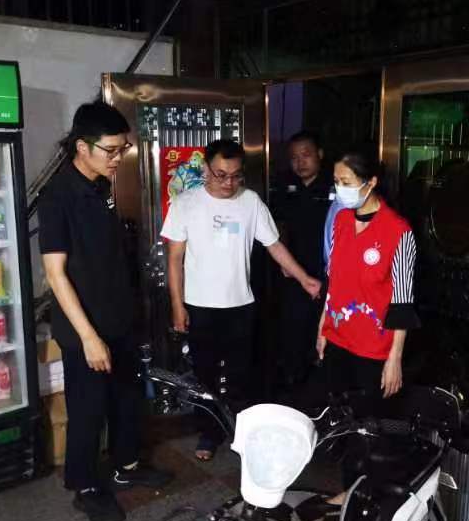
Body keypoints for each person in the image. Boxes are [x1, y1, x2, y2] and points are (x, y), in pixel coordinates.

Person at [39, 101, 171, 521]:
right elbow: (56, 274)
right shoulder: (59, 197)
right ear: (82, 146)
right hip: (86, 329)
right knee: (89, 410)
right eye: (111, 150)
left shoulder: (99, 187)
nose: (118, 158)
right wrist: (89, 337)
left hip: (118, 320)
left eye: (122, 149)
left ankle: (125, 466)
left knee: (127, 400)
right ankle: (85, 487)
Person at [162, 139, 322, 461]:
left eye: (236, 176)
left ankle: (241, 431)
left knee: (241, 374)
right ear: (206, 169)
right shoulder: (185, 203)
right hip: (200, 305)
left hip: (241, 305)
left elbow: (274, 245)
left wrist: (304, 278)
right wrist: (177, 306)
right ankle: (209, 433)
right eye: (220, 175)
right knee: (204, 374)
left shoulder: (250, 202)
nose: (228, 183)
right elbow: (174, 259)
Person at [317, 150, 420, 414]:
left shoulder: (399, 231)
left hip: (374, 349)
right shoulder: (340, 220)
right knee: (336, 417)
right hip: (337, 338)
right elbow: (333, 281)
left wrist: (394, 358)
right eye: (336, 182)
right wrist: (322, 327)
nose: (340, 189)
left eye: (346, 182)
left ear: (371, 182)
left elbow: (402, 301)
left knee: (369, 422)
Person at [274, 131, 333, 388]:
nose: (300, 162)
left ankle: (324, 384)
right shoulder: (284, 186)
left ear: (320, 154)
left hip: (327, 273)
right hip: (294, 272)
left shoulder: (335, 186)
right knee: (293, 329)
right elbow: (278, 225)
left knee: (325, 331)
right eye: (294, 157)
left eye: (306, 155)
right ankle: (294, 383)